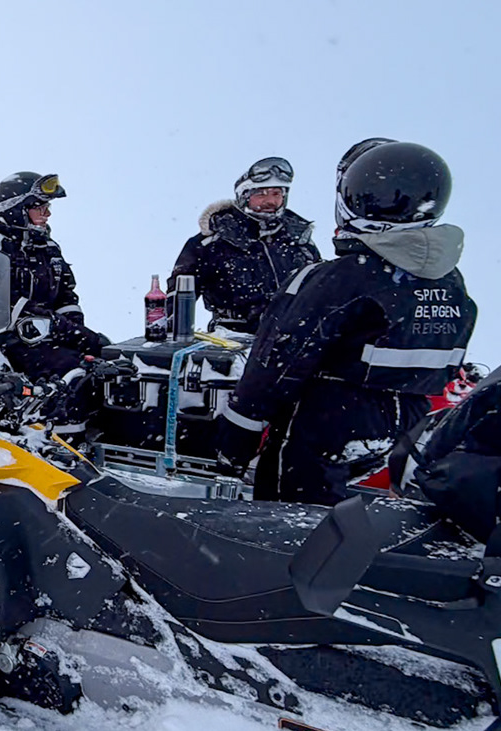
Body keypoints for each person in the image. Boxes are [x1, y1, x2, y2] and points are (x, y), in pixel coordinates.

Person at [211, 141, 479, 505]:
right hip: (406, 426)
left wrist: (235, 442)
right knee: (355, 518)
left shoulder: (338, 278)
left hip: (327, 427)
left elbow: (275, 366)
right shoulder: (451, 283)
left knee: (289, 521)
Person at [0, 171, 107, 380]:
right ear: (15, 210)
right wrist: (56, 325)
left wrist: (79, 335)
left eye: (48, 207)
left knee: (108, 360)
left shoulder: (48, 248)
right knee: (74, 373)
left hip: (45, 337)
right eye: (40, 207)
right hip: (2, 342)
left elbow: (65, 296)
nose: (48, 214)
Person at [168, 156, 321, 333]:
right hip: (235, 337)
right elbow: (178, 296)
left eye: (276, 194)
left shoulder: (298, 239)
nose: (270, 201)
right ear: (244, 196)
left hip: (296, 336)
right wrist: (168, 331)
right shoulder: (212, 242)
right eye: (261, 194)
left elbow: (321, 287)